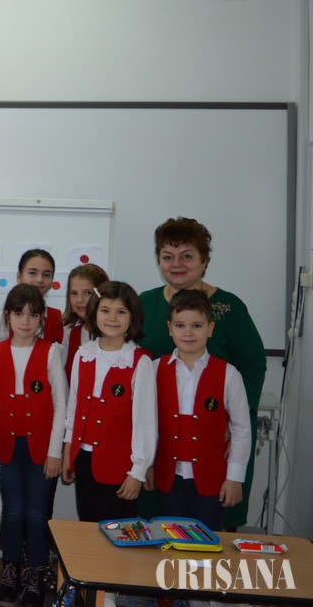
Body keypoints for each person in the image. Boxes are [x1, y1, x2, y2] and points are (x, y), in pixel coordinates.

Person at [137, 216, 266, 528]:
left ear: (204, 261)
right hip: (161, 439)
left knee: (212, 528)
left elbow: (252, 364)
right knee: (161, 525)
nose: (176, 264)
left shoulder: (228, 307)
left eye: (187, 256)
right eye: (167, 256)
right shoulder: (144, 303)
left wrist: (236, 417)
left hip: (212, 436)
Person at [0, 285, 66, 607]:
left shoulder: (51, 352)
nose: (25, 321)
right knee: (13, 512)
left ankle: (35, 573)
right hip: (7, 445)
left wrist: (55, 452)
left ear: (42, 318)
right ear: (8, 317)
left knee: (36, 514)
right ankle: (11, 571)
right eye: (19, 314)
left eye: (33, 315)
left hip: (41, 448)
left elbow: (61, 405)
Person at [146, 289, 250, 531]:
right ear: (170, 328)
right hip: (169, 479)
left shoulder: (229, 374)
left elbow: (241, 429)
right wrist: (148, 464)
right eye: (180, 325)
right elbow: (147, 425)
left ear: (210, 328)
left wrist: (234, 478)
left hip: (212, 481)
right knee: (173, 539)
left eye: (196, 325)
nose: (188, 333)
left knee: (207, 541)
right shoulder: (154, 369)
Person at [62, 281, 156, 522]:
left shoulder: (140, 361)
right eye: (105, 310)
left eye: (121, 311)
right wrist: (68, 452)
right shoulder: (83, 354)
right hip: (84, 458)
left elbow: (145, 423)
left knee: (115, 529)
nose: (112, 318)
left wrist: (137, 472)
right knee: (88, 523)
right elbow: (74, 408)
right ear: (94, 313)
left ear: (132, 317)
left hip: (120, 464)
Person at [0, 249, 63, 345]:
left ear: (52, 281)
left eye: (46, 275)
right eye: (32, 273)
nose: (39, 279)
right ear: (19, 277)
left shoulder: (59, 319)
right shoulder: (2, 319)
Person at [61, 264, 107, 380]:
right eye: (74, 293)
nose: (79, 300)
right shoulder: (68, 334)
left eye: (87, 293)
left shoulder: (116, 334)